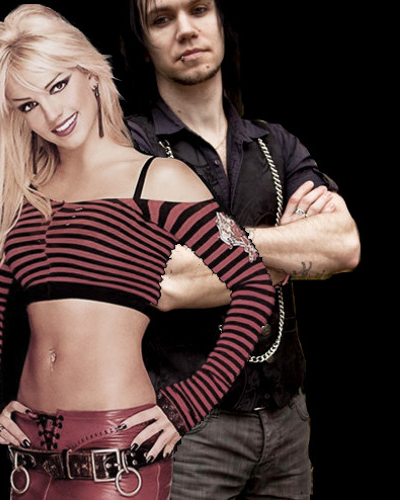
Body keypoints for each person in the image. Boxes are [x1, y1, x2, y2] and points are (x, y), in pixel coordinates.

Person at [0, 4, 276, 499]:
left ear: (89, 73)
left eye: (58, 85)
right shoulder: (21, 194)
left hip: (116, 448)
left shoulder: (159, 181)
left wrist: (189, 403)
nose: (52, 114)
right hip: (28, 452)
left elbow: (253, 285)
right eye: (27, 105)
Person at [120, 0, 361, 498]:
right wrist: (285, 252)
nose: (186, 30)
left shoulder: (277, 145)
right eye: (162, 19)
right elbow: (164, 280)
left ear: (221, 22)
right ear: (143, 45)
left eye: (198, 10)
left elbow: (343, 244)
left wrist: (212, 255)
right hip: (185, 430)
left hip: (288, 420)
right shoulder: (131, 149)